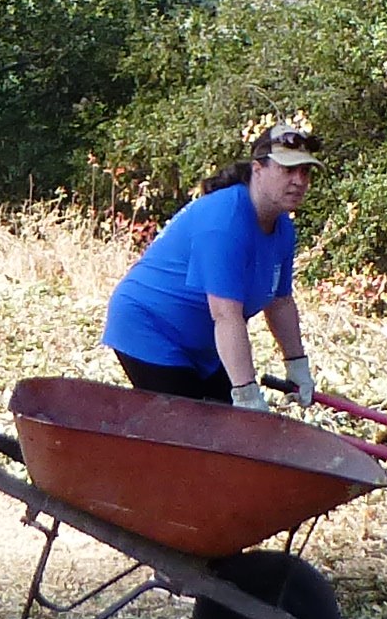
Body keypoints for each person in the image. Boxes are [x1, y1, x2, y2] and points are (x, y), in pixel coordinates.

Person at [103, 118, 322, 411]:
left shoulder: (282, 226)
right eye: (287, 170)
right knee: (192, 432)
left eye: (305, 171)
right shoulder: (225, 222)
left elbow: (280, 302)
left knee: (227, 429)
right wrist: (246, 394)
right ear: (258, 169)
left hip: (203, 343)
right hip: (150, 328)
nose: (299, 180)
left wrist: (297, 366)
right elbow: (226, 316)